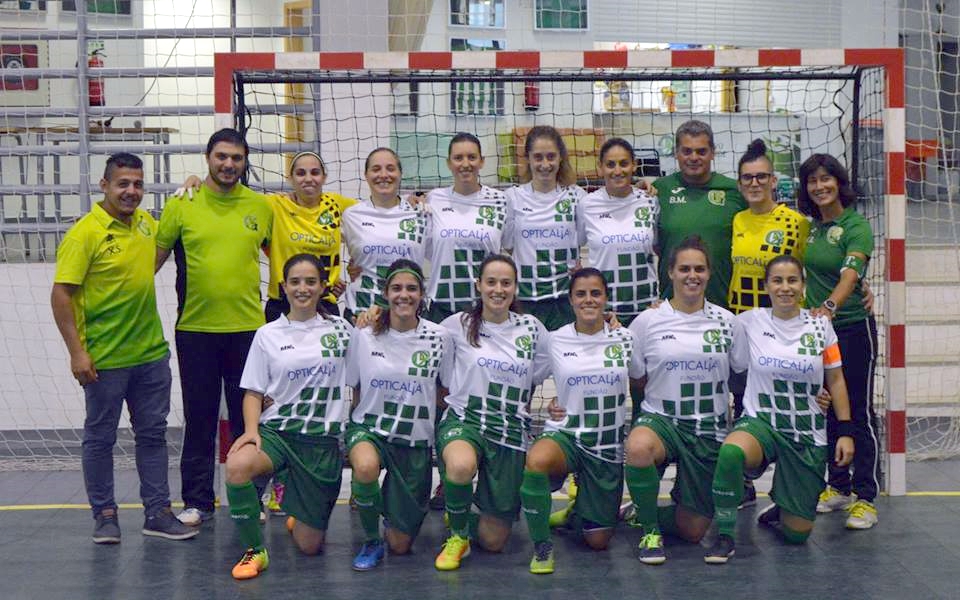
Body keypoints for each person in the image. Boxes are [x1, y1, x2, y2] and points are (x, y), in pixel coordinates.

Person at [51, 153, 198, 544]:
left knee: (152, 436)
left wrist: (192, 185)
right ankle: (105, 516)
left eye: (137, 184)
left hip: (151, 356)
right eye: (122, 184)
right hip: (104, 360)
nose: (131, 191)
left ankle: (158, 513)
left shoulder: (146, 224)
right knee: (100, 438)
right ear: (104, 185)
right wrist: (77, 352)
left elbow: (170, 233)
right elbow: (61, 296)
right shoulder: (85, 234)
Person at [156, 128, 273, 526]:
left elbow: (286, 258)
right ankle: (198, 502)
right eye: (221, 156)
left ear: (245, 162)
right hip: (196, 329)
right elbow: (151, 261)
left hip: (249, 331)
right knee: (200, 418)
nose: (228, 164)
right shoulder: (182, 203)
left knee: (247, 421)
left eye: (236, 158)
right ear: (208, 158)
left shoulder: (260, 207)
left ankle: (250, 498)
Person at [705, 255, 855, 564]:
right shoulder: (748, 321)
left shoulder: (821, 326)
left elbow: (836, 379)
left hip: (805, 431)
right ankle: (725, 534)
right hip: (761, 422)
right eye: (777, 281)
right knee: (731, 452)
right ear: (766, 286)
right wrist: (659, 307)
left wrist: (845, 431)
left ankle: (783, 507)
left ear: (803, 286)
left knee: (797, 536)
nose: (785, 287)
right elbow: (703, 318)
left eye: (792, 280)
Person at [224, 254, 354, 580]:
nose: (302, 288)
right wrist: (251, 430)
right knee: (238, 465)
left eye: (310, 281)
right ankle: (255, 550)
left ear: (322, 287)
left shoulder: (342, 330)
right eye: (295, 282)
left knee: (309, 546)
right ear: (284, 287)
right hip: (278, 434)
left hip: (320, 443)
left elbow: (363, 372)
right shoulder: (268, 334)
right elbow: (253, 391)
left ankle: (292, 497)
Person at [520, 268, 642, 574]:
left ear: (606, 298)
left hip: (605, 445)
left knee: (598, 541)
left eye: (595, 293)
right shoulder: (555, 339)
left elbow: (641, 379)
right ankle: (542, 546)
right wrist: (551, 403)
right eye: (581, 294)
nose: (589, 300)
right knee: (537, 460)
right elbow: (531, 378)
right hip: (567, 434)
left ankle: (579, 511)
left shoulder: (626, 338)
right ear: (571, 300)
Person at [622, 236, 736, 565]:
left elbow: (744, 370)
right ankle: (650, 530)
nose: (692, 276)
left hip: (707, 427)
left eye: (699, 269)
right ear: (670, 272)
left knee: (693, 531)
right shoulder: (647, 321)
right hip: (663, 420)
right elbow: (636, 376)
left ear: (709, 273)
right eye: (684, 269)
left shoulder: (728, 321)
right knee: (638, 446)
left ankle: (649, 508)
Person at [434, 254, 550, 571]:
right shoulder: (455, 325)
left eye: (506, 283)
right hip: (466, 420)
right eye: (491, 282)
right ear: (479, 285)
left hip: (509, 432)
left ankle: (460, 512)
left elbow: (552, 366)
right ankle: (458, 535)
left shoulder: (532, 328)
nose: (498, 289)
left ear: (515, 288)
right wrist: (374, 316)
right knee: (460, 465)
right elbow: (412, 332)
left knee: (493, 541)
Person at [344, 259, 452, 570]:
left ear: (422, 294)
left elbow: (445, 391)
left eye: (411, 288)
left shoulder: (440, 337)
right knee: (365, 466)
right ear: (385, 294)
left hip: (413, 440)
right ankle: (370, 540)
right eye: (396, 288)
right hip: (370, 429)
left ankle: (391, 518)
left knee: (401, 546)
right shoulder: (365, 333)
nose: (404, 295)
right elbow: (355, 388)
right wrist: (354, 429)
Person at [798, 154, 880, 530]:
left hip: (851, 329)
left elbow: (850, 273)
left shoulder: (855, 226)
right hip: (819, 333)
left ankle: (866, 497)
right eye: (813, 181)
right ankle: (839, 486)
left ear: (839, 182)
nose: (820, 186)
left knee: (858, 411)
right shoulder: (811, 228)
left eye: (826, 179)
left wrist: (831, 306)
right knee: (829, 408)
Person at [728, 138, 811, 504]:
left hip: (783, 331)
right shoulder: (738, 219)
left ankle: (789, 487)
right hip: (744, 328)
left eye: (761, 176)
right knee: (742, 402)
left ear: (773, 180)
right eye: (748, 177)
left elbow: (810, 270)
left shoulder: (795, 223)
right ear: (740, 183)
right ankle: (745, 483)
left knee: (785, 403)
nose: (755, 183)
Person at [179, 150, 355, 319]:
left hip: (324, 304)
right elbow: (232, 197)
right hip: (282, 304)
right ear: (290, 178)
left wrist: (358, 264)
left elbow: (369, 217)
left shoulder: (337, 204)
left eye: (315, 172)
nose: (308, 179)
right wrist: (198, 181)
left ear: (324, 177)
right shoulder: (274, 205)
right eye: (301, 173)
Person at [653, 120, 747, 307]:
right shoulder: (659, 190)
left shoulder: (735, 191)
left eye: (701, 151)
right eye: (687, 151)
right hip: (671, 306)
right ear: (676, 153)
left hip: (723, 304)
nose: (694, 157)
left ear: (713, 153)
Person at [503, 125, 586, 331]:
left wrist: (639, 188)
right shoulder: (512, 198)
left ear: (561, 158)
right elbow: (510, 246)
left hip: (565, 300)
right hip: (525, 300)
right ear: (528, 159)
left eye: (551, 156)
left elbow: (583, 239)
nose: (545, 164)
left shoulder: (577, 196)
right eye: (538, 157)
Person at [423, 132, 510, 323]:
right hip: (441, 306)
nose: (465, 164)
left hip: (485, 308)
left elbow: (515, 248)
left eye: (471, 157)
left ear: (482, 161)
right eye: (458, 158)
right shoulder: (434, 199)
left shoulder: (501, 200)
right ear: (448, 163)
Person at [577, 137, 658, 326]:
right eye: (610, 164)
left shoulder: (649, 201)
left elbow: (659, 248)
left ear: (634, 165)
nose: (617, 171)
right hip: (605, 311)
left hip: (647, 308)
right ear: (600, 167)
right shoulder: (587, 205)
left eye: (624, 163)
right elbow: (575, 250)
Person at [341, 148, 427, 322]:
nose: (383, 175)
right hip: (361, 313)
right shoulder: (351, 215)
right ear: (366, 175)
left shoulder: (420, 212)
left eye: (390, 168)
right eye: (376, 169)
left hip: (408, 313)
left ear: (400, 174)